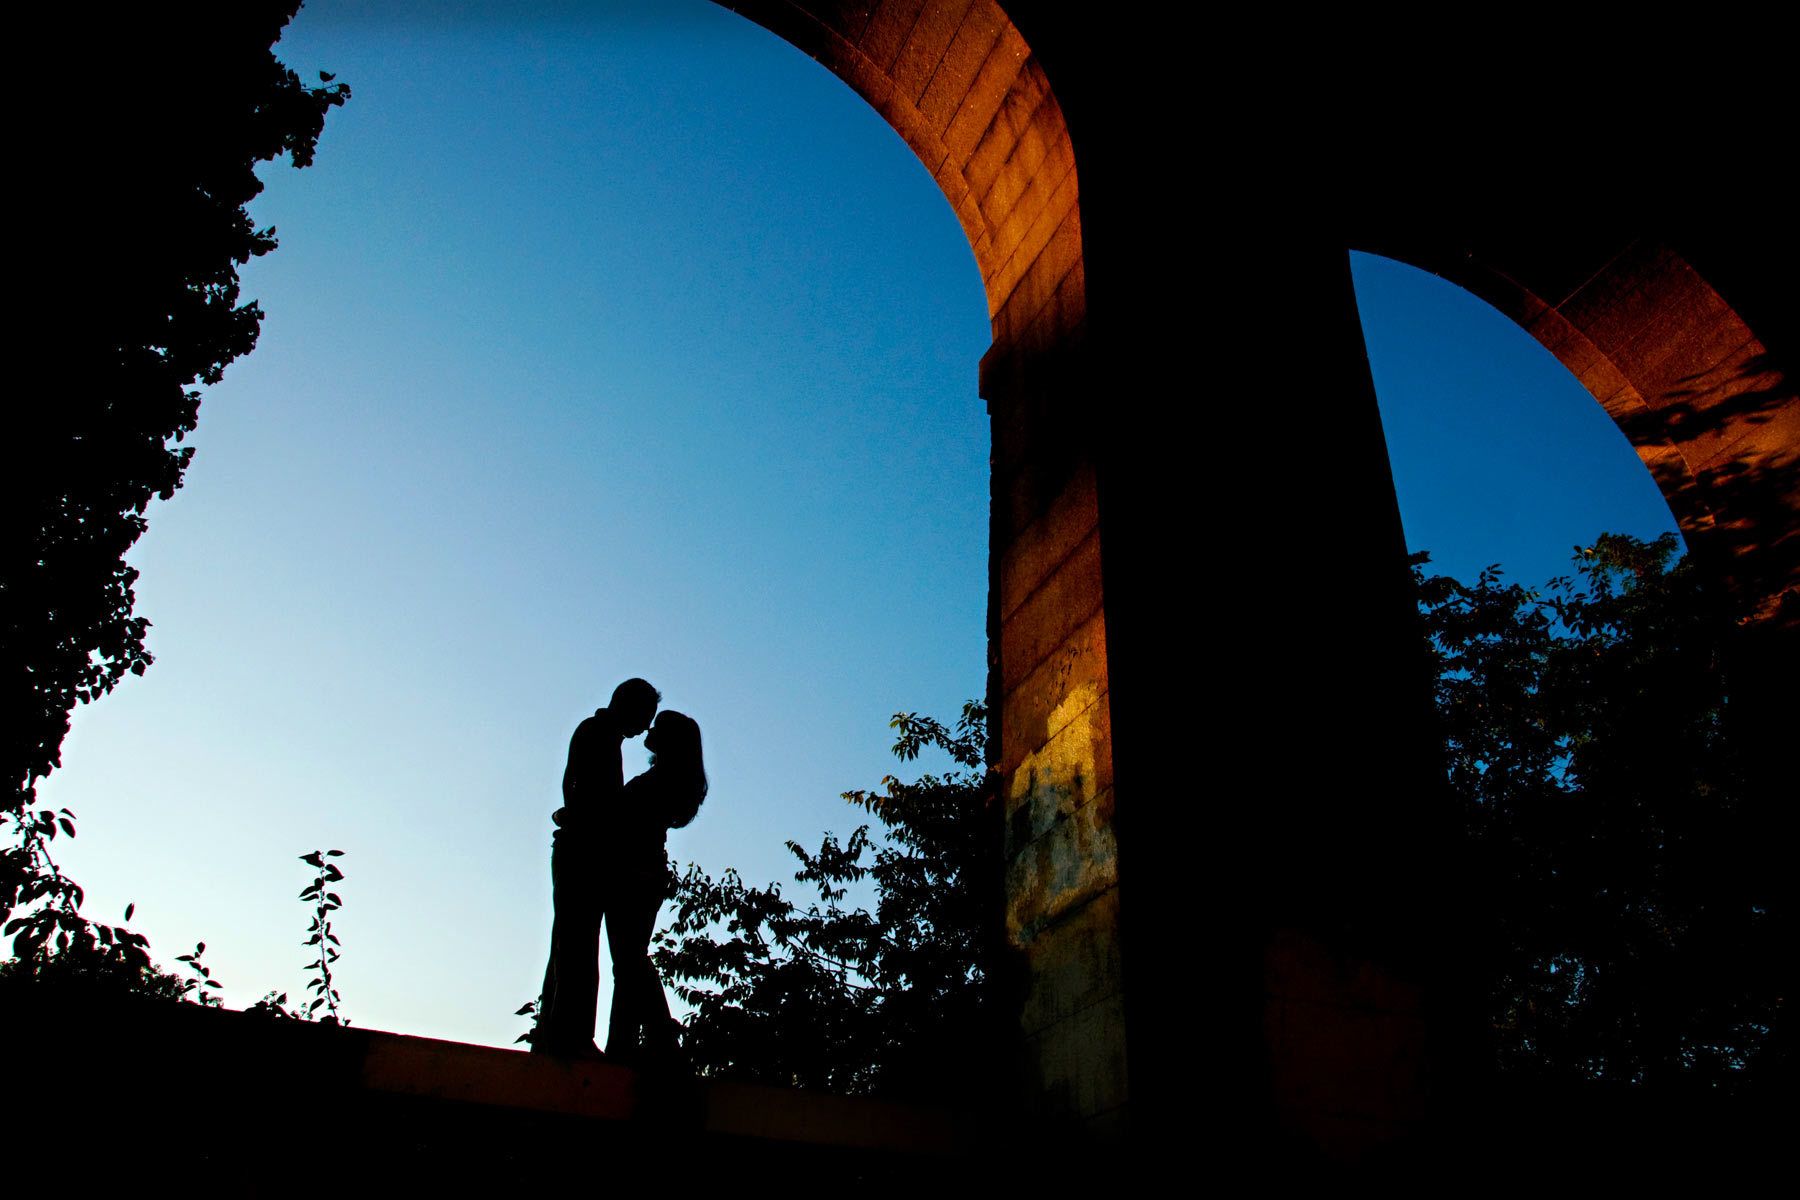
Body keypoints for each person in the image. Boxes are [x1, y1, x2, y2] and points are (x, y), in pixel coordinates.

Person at [532, 677, 659, 1058]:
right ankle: (569, 1036)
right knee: (577, 944)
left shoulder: (600, 735)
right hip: (583, 851)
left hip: (581, 847)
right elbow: (591, 801)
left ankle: (556, 1032)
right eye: (644, 715)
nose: (644, 726)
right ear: (627, 705)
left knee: (570, 941)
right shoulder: (599, 735)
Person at [602, 710, 707, 1064]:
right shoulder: (667, 781)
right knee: (628, 962)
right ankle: (626, 1045)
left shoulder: (658, 782)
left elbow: (621, 820)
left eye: (657, 727)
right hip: (646, 872)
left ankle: (658, 1037)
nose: (650, 729)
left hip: (635, 872)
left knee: (629, 961)